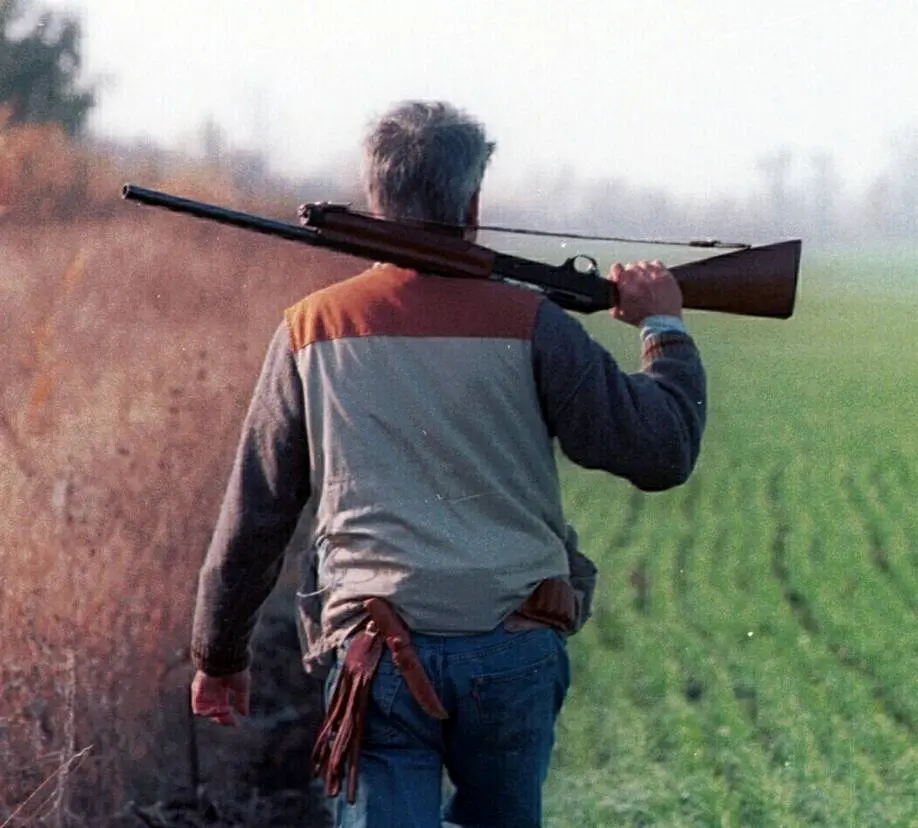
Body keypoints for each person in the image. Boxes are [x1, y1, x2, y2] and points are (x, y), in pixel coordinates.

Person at [189, 100, 706, 828]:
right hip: (516, 649)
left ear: (375, 197)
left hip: (376, 655)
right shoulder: (533, 322)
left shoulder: (312, 329)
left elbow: (259, 510)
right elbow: (661, 451)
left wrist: (218, 652)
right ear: (472, 201)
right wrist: (663, 324)